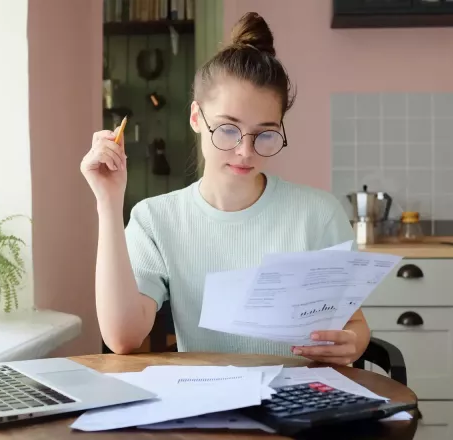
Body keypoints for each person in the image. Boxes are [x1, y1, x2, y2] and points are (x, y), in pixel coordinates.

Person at [80, 12, 370, 366]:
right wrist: (108, 202)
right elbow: (123, 338)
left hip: (298, 404)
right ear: (196, 118)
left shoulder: (319, 214)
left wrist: (351, 343)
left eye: (265, 133)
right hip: (208, 404)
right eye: (228, 130)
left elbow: (355, 324)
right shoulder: (156, 219)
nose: (245, 151)